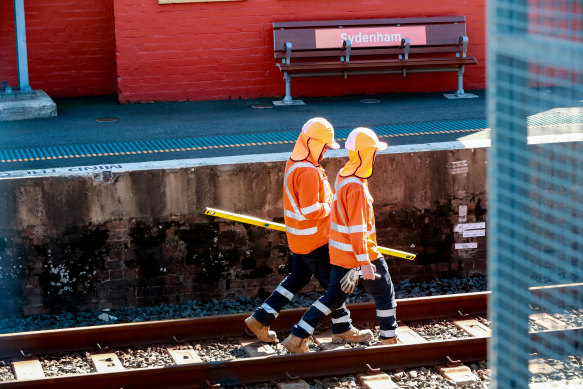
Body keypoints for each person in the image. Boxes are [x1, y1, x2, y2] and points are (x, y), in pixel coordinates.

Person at [245, 118, 372, 345]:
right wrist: (334, 204)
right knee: (336, 288)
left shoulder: (295, 161)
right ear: (311, 142)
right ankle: (337, 329)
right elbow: (311, 210)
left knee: (296, 279)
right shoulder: (309, 172)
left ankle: (260, 319)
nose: (325, 151)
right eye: (324, 146)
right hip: (316, 240)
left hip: (299, 238)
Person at [281, 127, 398, 353]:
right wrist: (364, 263)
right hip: (362, 254)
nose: (375, 156)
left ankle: (297, 337)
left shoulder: (345, 175)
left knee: (332, 298)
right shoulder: (357, 188)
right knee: (385, 294)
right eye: (373, 152)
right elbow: (357, 229)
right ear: (366, 154)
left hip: (341, 255)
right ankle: (389, 340)